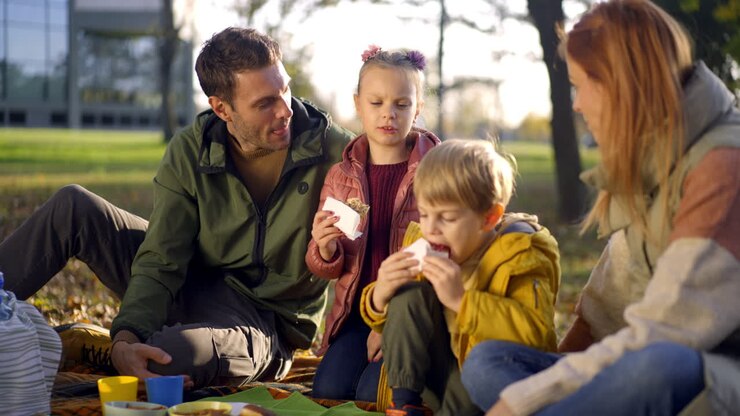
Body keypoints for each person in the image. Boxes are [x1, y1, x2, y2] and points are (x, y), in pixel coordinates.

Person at [0, 27, 353, 388]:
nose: (285, 110)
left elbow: (388, 209)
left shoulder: (337, 152)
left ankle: (98, 346)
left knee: (169, 357)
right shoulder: (191, 151)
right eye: (264, 103)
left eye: (285, 90)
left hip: (265, 323)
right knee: (72, 206)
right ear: (221, 108)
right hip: (190, 283)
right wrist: (125, 337)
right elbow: (161, 258)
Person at [460, 1, 740, 415]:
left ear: (617, 84)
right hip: (644, 358)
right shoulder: (650, 156)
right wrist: (552, 381)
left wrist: (522, 402)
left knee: (659, 365)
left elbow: (667, 332)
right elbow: (605, 310)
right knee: (489, 363)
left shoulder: (722, 166)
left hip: (704, 372)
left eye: (580, 86)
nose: (575, 104)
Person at [360, 139, 561, 416]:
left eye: (448, 218)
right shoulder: (425, 238)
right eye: (425, 213)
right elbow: (401, 316)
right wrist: (380, 295)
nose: (431, 229)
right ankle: (404, 404)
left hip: (482, 376)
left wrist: (462, 300)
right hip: (432, 368)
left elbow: (535, 332)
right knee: (409, 293)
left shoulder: (522, 252)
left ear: (489, 218)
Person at [305, 45, 440, 403]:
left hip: (410, 315)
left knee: (372, 395)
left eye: (401, 104)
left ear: (418, 109)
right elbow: (325, 267)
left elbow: (445, 251)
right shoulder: (341, 175)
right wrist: (325, 248)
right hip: (354, 314)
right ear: (358, 103)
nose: (388, 115)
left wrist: (389, 321)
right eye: (376, 103)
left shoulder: (436, 172)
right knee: (329, 390)